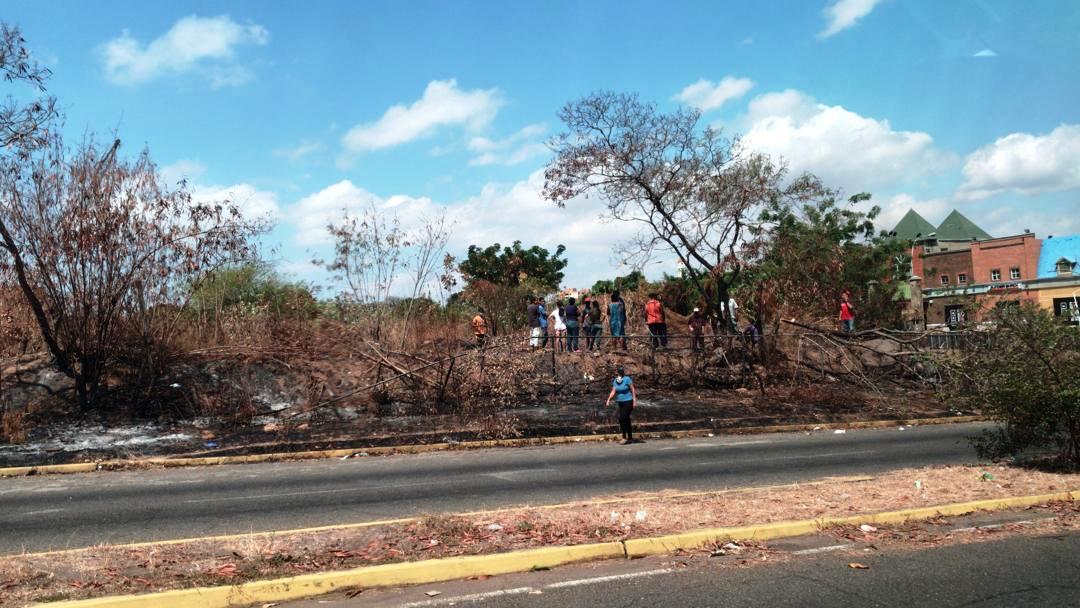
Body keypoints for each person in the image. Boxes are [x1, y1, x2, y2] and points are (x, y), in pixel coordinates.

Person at [606, 365, 638, 444]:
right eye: (619, 371)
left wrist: (634, 400)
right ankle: (630, 437)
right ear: (617, 372)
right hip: (621, 402)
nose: (620, 372)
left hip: (628, 401)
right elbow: (613, 391)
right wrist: (608, 399)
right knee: (626, 420)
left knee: (622, 418)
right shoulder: (615, 380)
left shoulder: (627, 379)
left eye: (622, 371)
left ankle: (624, 437)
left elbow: (632, 389)